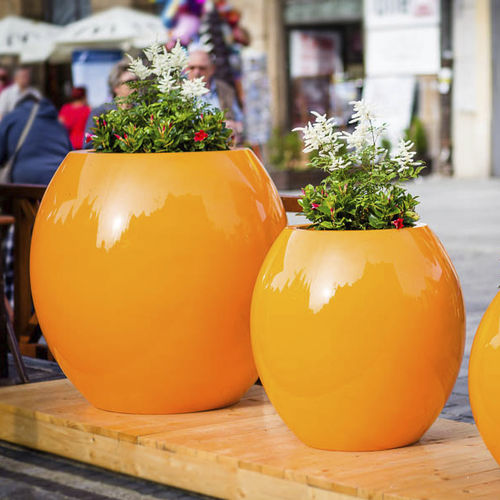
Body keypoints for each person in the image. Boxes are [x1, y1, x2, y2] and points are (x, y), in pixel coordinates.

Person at [0, 92, 72, 184]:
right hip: (60, 178)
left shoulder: (12, 117)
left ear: (20, 105)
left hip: (24, 180)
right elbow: (71, 152)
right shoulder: (58, 124)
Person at [186, 48, 244, 144]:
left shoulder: (225, 91)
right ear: (185, 69)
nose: (196, 72)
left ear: (212, 69)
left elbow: (241, 122)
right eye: (192, 68)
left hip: (222, 149)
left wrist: (234, 127)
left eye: (202, 68)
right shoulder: (175, 92)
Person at [84, 59, 137, 145]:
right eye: (129, 82)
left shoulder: (141, 111)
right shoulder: (101, 112)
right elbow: (88, 146)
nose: (135, 85)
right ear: (116, 87)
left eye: (136, 80)